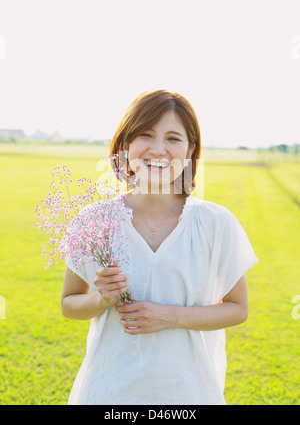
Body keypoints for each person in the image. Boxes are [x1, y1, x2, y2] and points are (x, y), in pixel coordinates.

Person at [61, 89, 259, 405]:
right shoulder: (95, 219)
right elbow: (69, 304)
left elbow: (238, 308)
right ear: (125, 145)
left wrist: (171, 316)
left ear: (191, 149)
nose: (158, 149)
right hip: (108, 392)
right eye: (145, 135)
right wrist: (102, 299)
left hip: (189, 393)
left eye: (173, 138)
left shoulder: (215, 222)